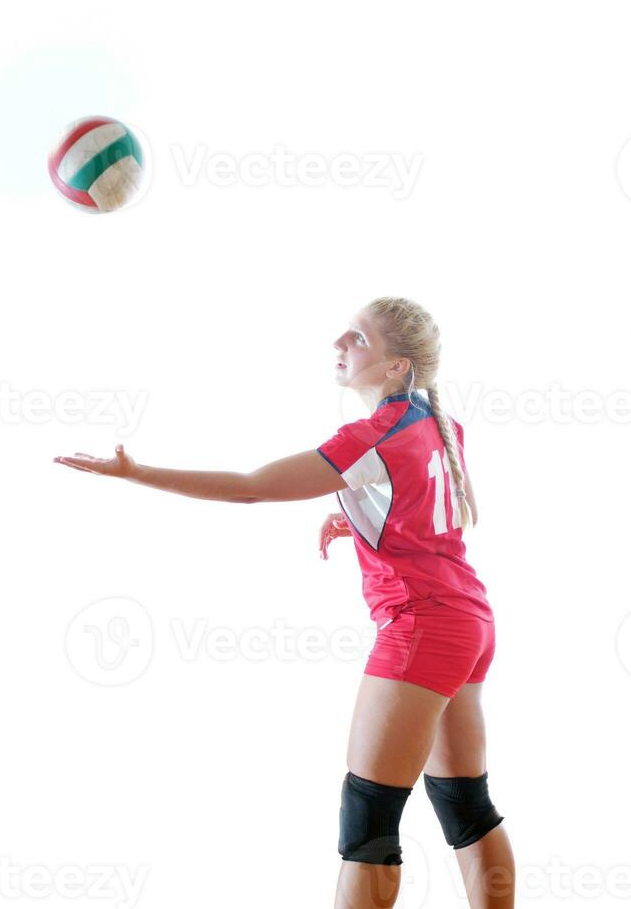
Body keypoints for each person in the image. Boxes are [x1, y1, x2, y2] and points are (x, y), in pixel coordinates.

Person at [54, 296, 515, 909]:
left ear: (398, 366)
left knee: (369, 824)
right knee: (464, 805)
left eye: (356, 338)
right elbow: (428, 514)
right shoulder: (438, 423)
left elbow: (251, 490)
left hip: (422, 627)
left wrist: (136, 473)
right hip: (469, 621)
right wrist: (358, 522)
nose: (339, 344)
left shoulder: (370, 436)